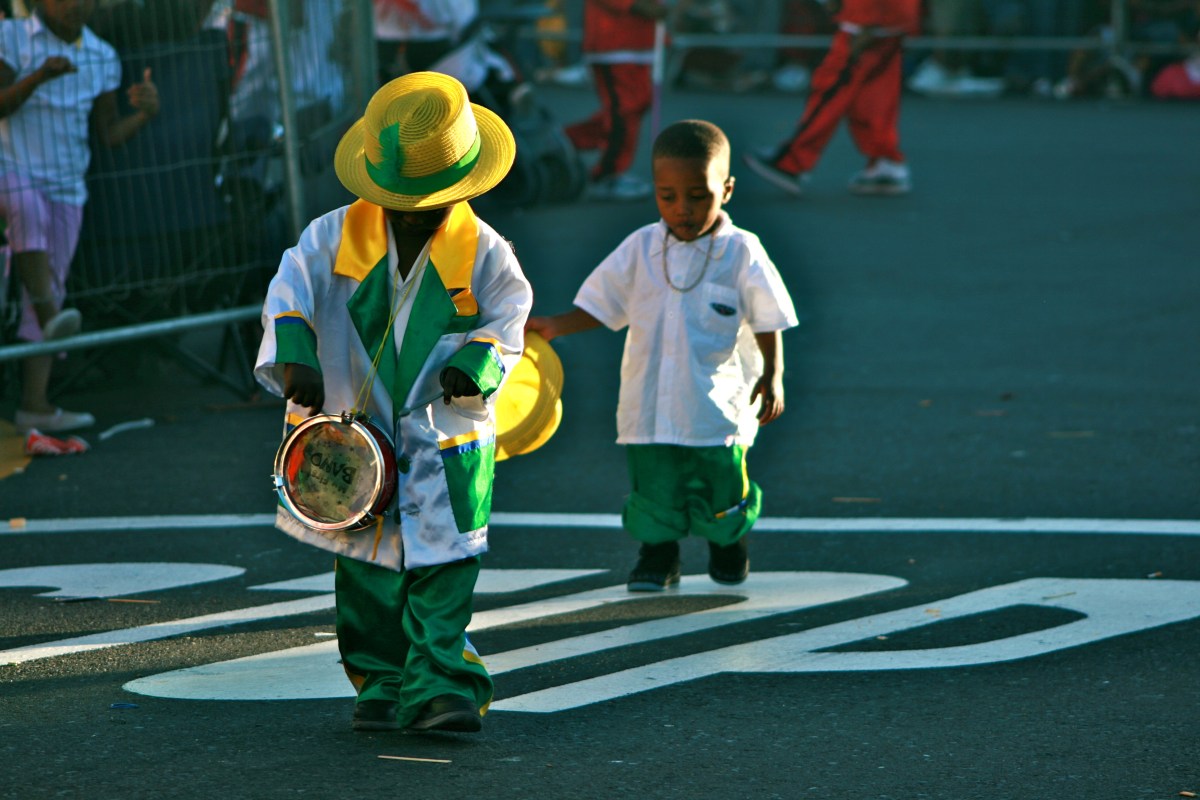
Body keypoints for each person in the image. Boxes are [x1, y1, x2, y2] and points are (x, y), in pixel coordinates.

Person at [254, 72, 532, 733]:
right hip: (355, 436)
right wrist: (295, 360)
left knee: (444, 565)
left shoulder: (486, 253)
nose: (414, 210)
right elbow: (287, 294)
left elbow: (509, 318)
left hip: (446, 440)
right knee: (366, 571)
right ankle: (379, 679)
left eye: (428, 199)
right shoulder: (329, 241)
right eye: (401, 198)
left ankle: (443, 688)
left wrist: (476, 365)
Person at [527, 119, 799, 591]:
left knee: (721, 484)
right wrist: (555, 325)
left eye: (698, 195)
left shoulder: (741, 251)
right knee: (654, 487)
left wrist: (773, 373)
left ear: (727, 190)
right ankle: (658, 553)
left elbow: (768, 316)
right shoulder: (641, 247)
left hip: (715, 403)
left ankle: (727, 542)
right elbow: (602, 303)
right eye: (667, 195)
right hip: (648, 401)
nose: (682, 209)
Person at [0, 0, 159, 433]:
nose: (76, 5)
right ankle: (53, 317)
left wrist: (145, 113)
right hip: (11, 173)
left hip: (68, 187)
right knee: (26, 208)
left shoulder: (102, 55)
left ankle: (35, 404)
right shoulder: (11, 37)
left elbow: (107, 134)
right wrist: (38, 78)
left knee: (49, 284)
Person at [741, 0, 920, 197]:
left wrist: (863, 20)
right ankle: (886, 160)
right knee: (874, 94)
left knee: (832, 89)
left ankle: (792, 162)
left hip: (867, 17)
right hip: (892, 15)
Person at [565, 0, 667, 201]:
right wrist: (636, 5)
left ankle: (566, 140)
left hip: (639, 40)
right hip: (613, 41)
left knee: (634, 106)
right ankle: (607, 174)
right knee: (623, 111)